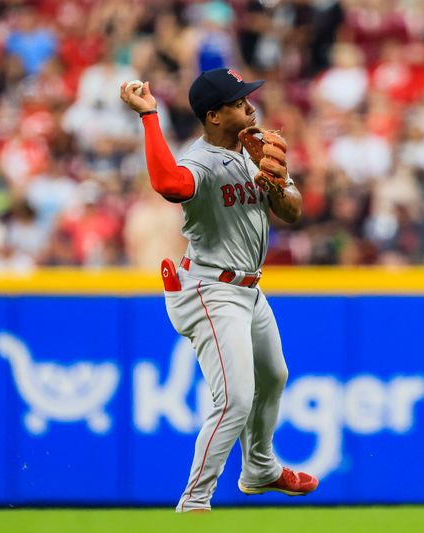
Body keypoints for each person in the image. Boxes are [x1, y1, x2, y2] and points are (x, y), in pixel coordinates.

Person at [119, 68, 317, 513]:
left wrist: (276, 186)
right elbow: (169, 184)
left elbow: (293, 210)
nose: (250, 106)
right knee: (235, 399)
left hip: (248, 289)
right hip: (211, 287)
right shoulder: (201, 161)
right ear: (213, 115)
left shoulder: (255, 152)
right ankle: (195, 502)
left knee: (274, 376)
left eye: (247, 98)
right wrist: (150, 116)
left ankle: (260, 468)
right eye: (238, 102)